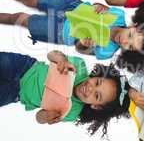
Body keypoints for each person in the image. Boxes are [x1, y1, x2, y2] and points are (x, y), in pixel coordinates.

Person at [0, 0, 144, 59]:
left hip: (61, 33)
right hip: (70, 7)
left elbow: (79, 48)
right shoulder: (118, 15)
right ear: (133, 26)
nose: (124, 41)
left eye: (130, 46)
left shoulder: (107, 52)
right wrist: (99, 6)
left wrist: (84, 43)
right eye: (130, 36)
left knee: (19, 19)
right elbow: (95, 7)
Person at [0, 50, 131, 137]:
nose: (90, 89)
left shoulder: (72, 112)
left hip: (16, 94)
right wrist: (62, 59)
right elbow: (51, 55)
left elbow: (38, 117)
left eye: (97, 96)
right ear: (96, 76)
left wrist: (46, 117)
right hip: (23, 66)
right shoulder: (78, 66)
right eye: (96, 82)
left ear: (96, 106)